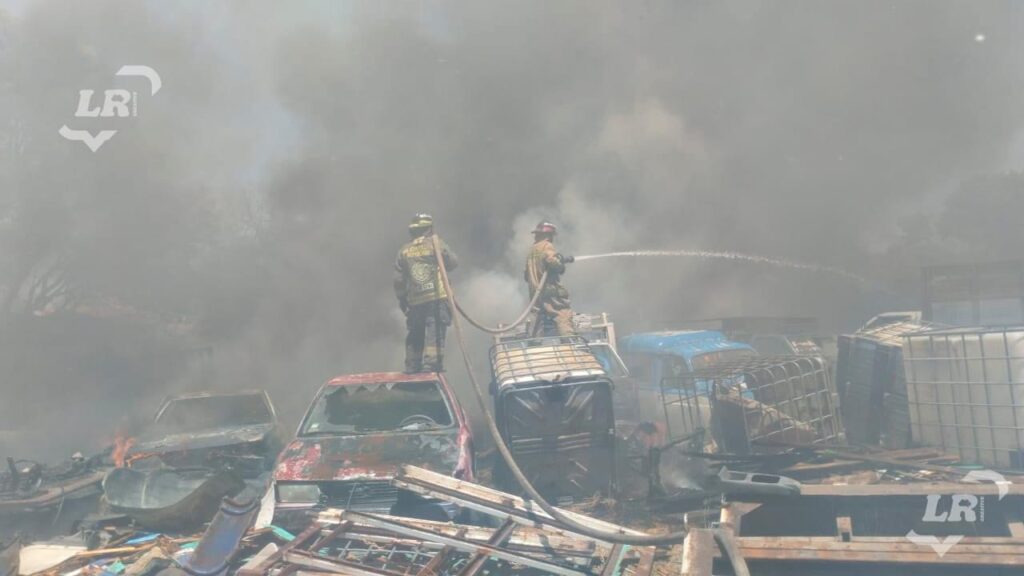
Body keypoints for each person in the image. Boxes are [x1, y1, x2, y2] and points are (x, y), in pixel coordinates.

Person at [394, 213, 458, 373]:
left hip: (415, 302)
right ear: (429, 229)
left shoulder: (404, 251)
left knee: (415, 333)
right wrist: (440, 246)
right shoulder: (436, 245)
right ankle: (431, 365)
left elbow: (398, 280)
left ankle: (412, 365)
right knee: (435, 332)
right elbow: (452, 263)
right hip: (437, 299)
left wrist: (402, 299)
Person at [524, 220, 575, 336]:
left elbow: (526, 276)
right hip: (551, 293)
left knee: (538, 321)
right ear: (547, 235)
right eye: (551, 235)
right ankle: (569, 343)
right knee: (563, 314)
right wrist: (560, 264)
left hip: (536, 295)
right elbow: (553, 262)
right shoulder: (546, 245)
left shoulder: (531, 251)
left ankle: (534, 344)